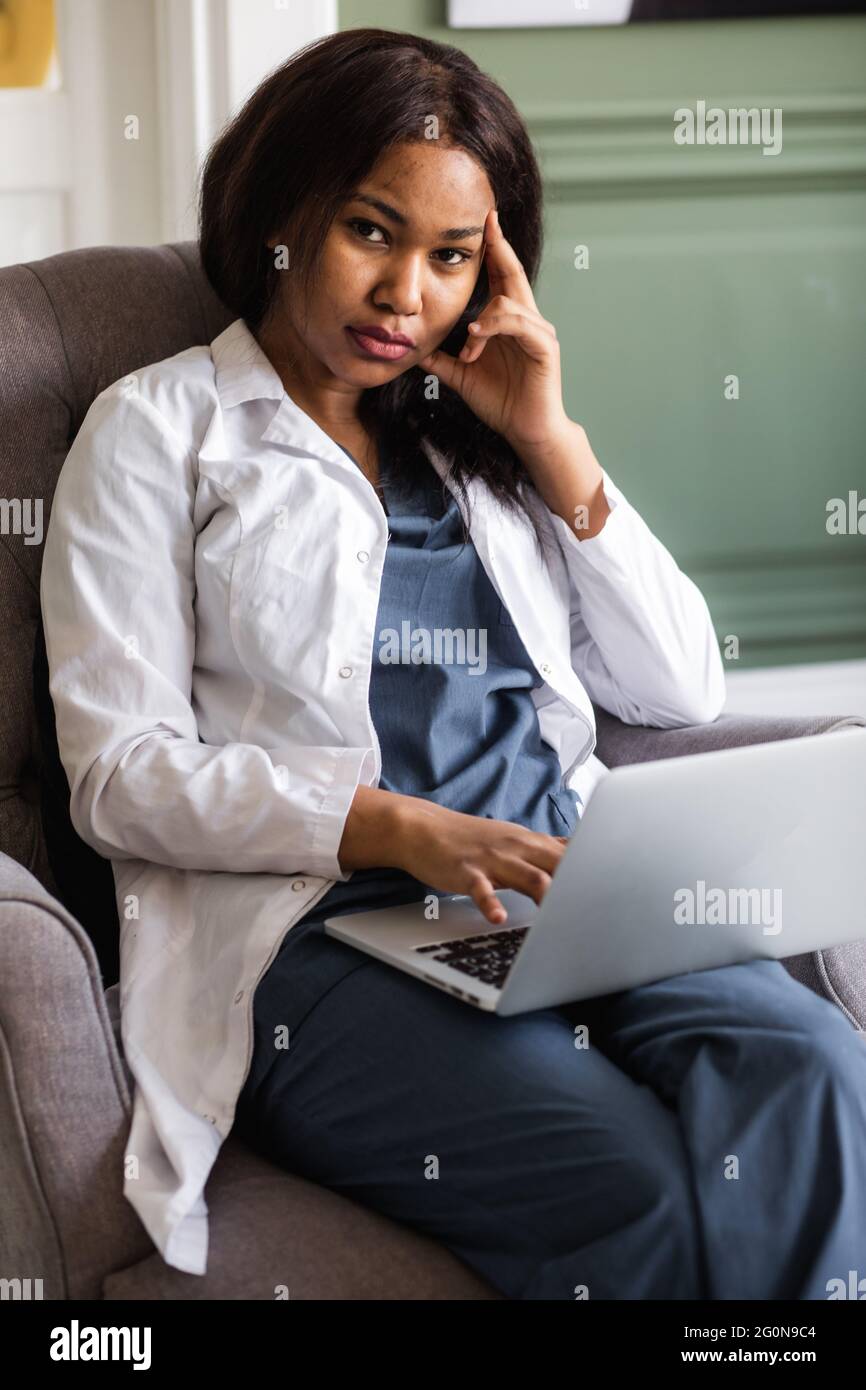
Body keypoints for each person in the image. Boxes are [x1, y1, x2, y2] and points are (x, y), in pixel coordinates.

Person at [41, 27, 866, 1298]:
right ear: (281, 210)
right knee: (632, 1184)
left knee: (814, 1072)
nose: (403, 294)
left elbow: (677, 689)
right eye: (371, 232)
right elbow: (118, 774)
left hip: (574, 892)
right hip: (320, 939)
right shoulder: (159, 431)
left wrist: (551, 441)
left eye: (449, 257)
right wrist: (390, 827)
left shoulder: (472, 436)